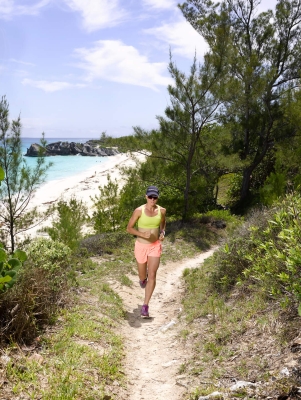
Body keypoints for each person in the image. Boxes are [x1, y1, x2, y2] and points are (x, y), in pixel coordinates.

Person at [126, 185, 166, 317]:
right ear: (146, 197)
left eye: (155, 197)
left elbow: (163, 223)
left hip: (155, 246)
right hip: (141, 247)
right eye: (150, 197)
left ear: (157, 198)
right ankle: (142, 280)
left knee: (153, 275)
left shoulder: (162, 211)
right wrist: (142, 235)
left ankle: (145, 306)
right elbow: (129, 228)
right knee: (143, 276)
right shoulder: (139, 211)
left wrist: (162, 232)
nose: (152, 199)